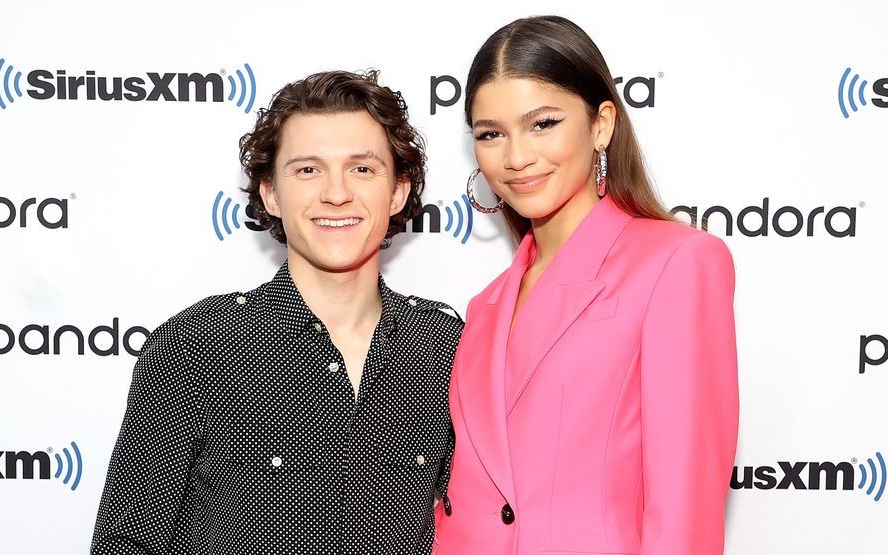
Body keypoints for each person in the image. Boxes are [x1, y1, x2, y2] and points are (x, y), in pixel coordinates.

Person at [90, 70, 462, 555]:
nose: (336, 193)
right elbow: (126, 541)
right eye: (307, 170)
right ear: (270, 193)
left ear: (397, 192)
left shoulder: (445, 346)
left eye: (362, 169)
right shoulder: (196, 344)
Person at [433, 16, 739, 555]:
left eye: (543, 123)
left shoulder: (676, 263)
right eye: (490, 134)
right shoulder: (486, 305)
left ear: (601, 125)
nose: (516, 157)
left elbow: (684, 514)